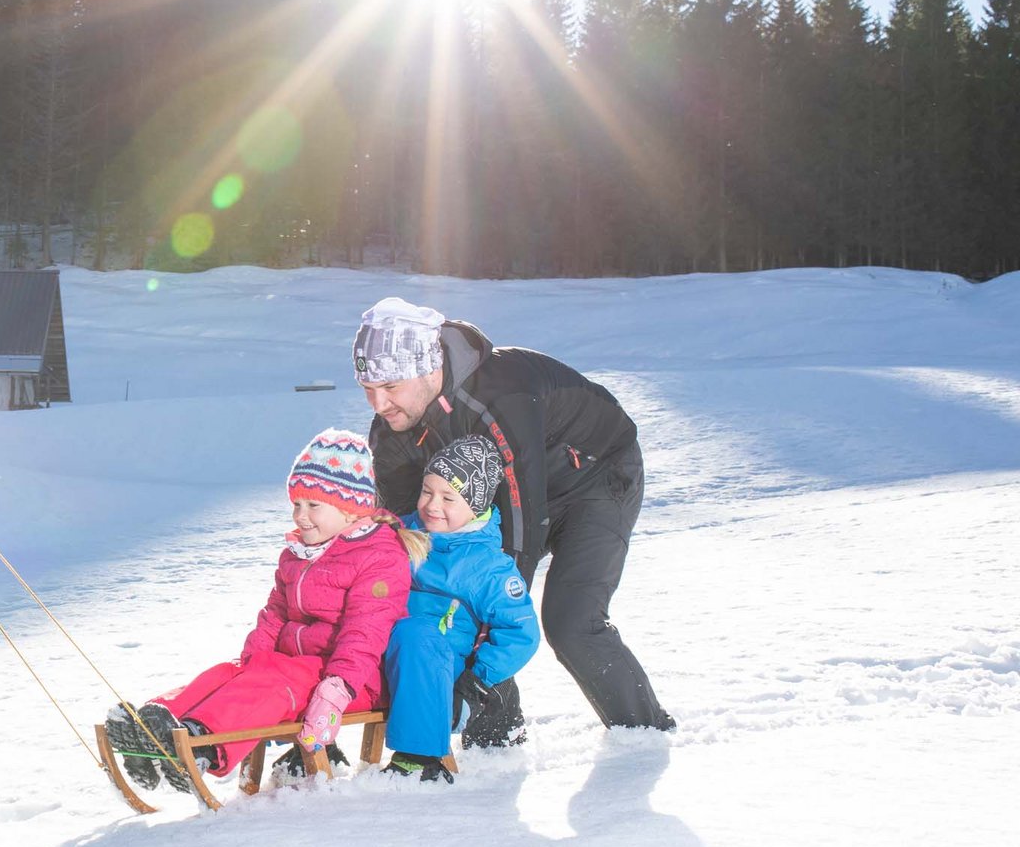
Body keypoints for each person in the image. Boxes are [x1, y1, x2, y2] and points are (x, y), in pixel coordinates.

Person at [353, 297, 675, 745]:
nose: (377, 401)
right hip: (505, 496)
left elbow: (525, 516)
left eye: (389, 385)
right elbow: (404, 536)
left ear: (428, 370)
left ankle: (645, 735)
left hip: (596, 479)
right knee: (449, 595)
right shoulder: (393, 429)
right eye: (367, 386)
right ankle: (496, 738)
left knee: (570, 621)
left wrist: (490, 602)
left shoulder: (498, 394)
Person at [104, 429, 420, 793]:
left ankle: (201, 740)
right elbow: (275, 613)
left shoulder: (379, 556)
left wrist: (335, 691)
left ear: (351, 508)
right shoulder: (299, 553)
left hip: (349, 680)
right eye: (296, 504)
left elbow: (366, 634)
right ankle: (157, 723)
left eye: (313, 506)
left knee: (273, 683)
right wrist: (252, 659)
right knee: (232, 672)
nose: (300, 517)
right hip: (291, 666)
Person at [380, 434, 540, 782]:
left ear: (476, 506)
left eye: (448, 497)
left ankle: (419, 757)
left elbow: (521, 632)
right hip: (383, 652)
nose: (432, 505)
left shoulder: (486, 566)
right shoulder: (401, 533)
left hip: (441, 667)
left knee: (414, 631)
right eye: (427, 491)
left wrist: (476, 683)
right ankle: (313, 744)